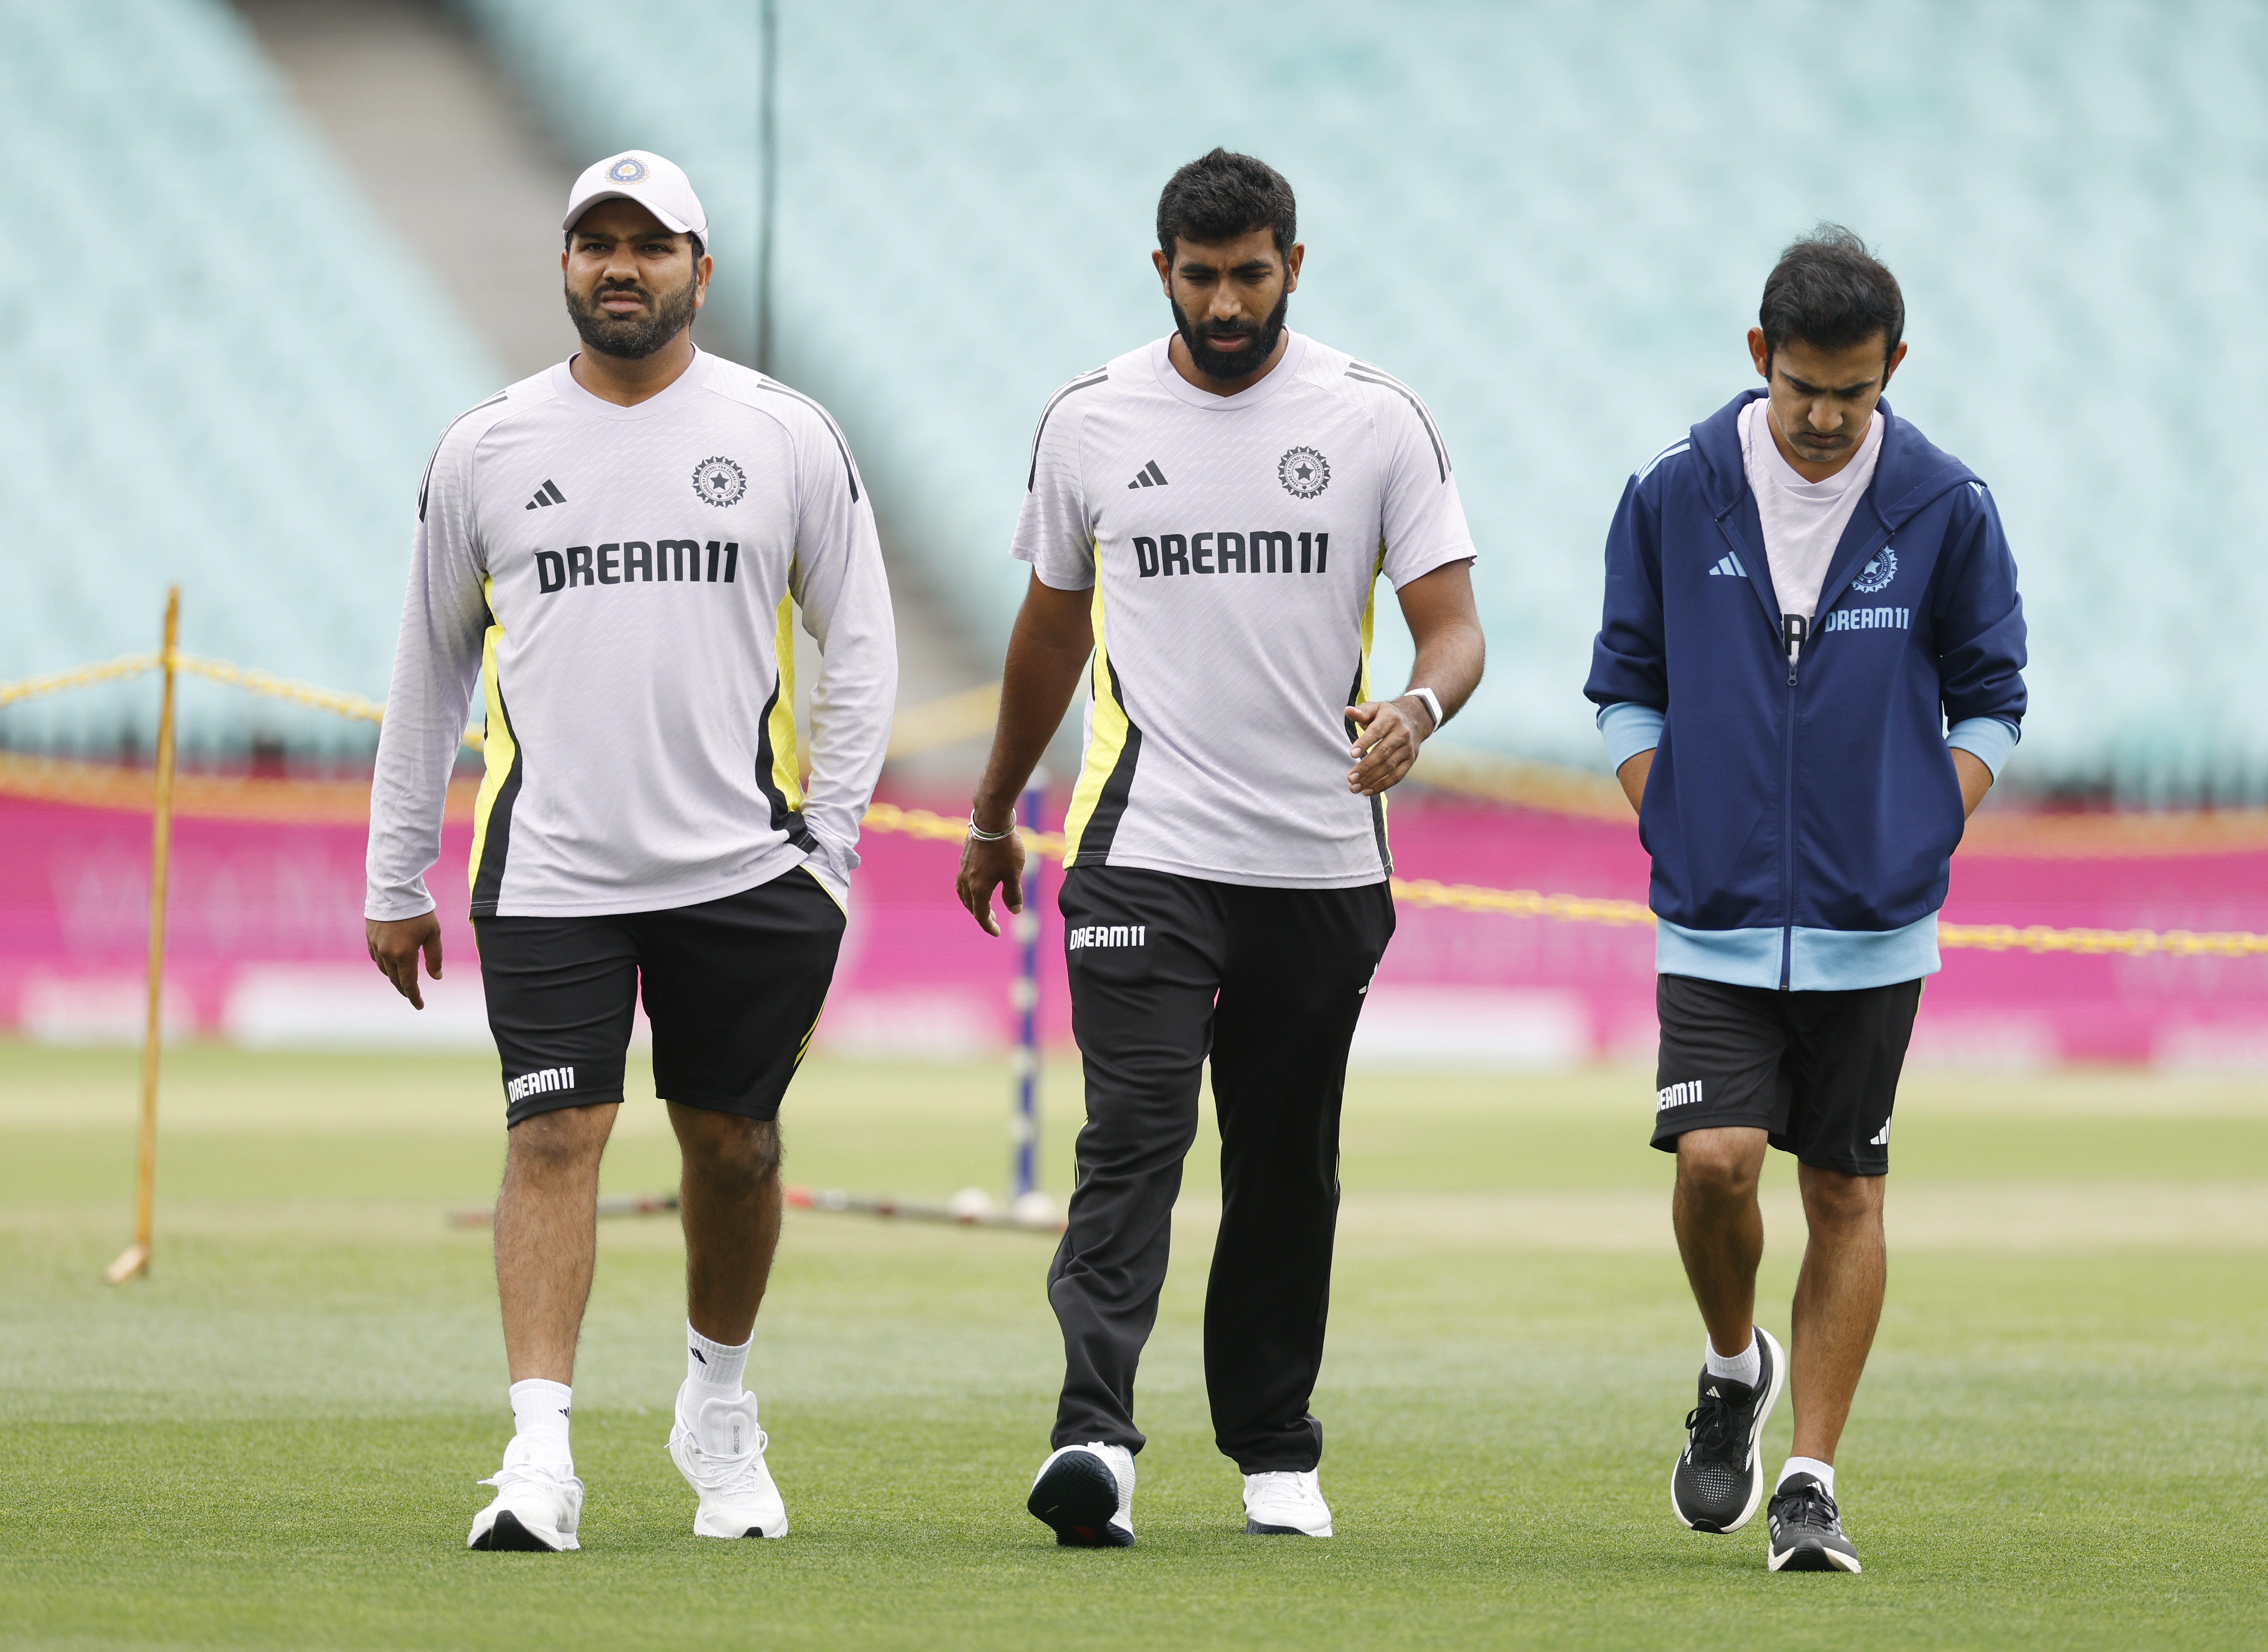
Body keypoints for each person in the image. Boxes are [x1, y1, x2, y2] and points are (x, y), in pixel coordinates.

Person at [363, 150, 896, 1551]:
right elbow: (426, 669)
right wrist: (393, 871)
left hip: (744, 871)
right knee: (556, 1133)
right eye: (596, 241)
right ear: (563, 265)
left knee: (734, 1147)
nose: (621, 265)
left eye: (651, 245)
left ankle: (718, 1410)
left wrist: (830, 847)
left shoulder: (788, 435)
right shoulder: (484, 447)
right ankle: (539, 1458)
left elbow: (865, 643)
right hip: (552, 872)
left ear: (699, 272)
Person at [955, 148, 1485, 1548]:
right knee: (1133, 1135)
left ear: (1293, 268)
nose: (1228, 301)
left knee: (1284, 1161)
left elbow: (1454, 625)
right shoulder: (1088, 421)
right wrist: (993, 808)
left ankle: (1272, 1450)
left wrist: (1418, 709)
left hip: (1321, 862)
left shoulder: (1379, 422)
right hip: (1145, 843)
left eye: (1253, 274)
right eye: (1202, 278)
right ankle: (1094, 1440)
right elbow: (1051, 633)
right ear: (1163, 274)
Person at [1584, 226, 2026, 1573]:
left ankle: (1813, 1484)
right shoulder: (1673, 491)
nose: (1828, 418)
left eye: (1857, 391)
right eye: (1804, 390)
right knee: (1716, 1164)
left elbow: (1995, 695)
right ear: (1759, 358)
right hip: (1712, 909)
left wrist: (1917, 829)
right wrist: (1673, 809)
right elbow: (1623, 680)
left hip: (1873, 923)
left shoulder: (1947, 504)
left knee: (1846, 1191)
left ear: (1894, 367)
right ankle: (1734, 1368)